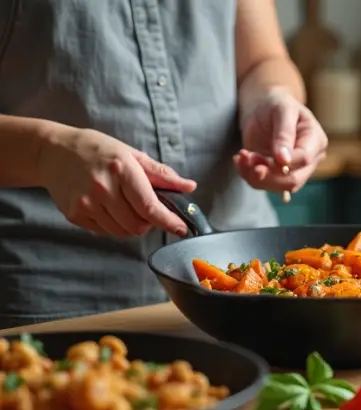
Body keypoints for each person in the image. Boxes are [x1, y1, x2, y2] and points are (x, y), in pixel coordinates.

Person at [0, 1, 328, 329]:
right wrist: (46, 152)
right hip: (58, 292)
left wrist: (271, 99)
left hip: (247, 278)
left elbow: (263, 60)